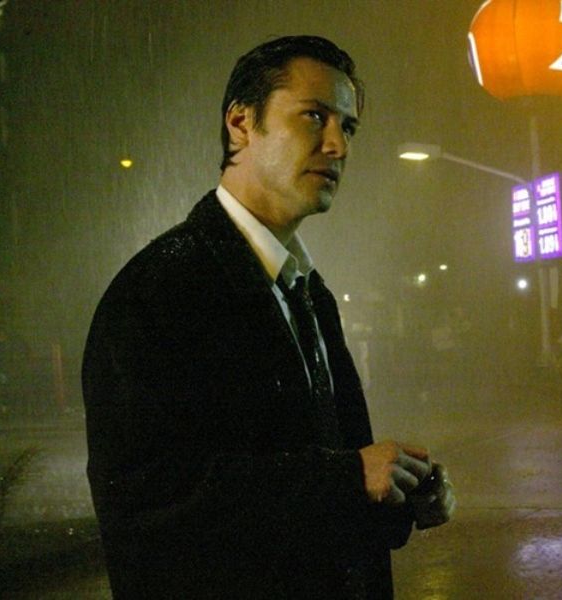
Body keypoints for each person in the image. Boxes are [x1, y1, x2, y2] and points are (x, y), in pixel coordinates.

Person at [82, 35, 455, 598]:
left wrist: (398, 495)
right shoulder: (158, 290)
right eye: (314, 116)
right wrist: (349, 478)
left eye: (347, 128)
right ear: (240, 123)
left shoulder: (307, 290)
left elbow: (322, 488)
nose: (337, 146)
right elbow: (151, 504)